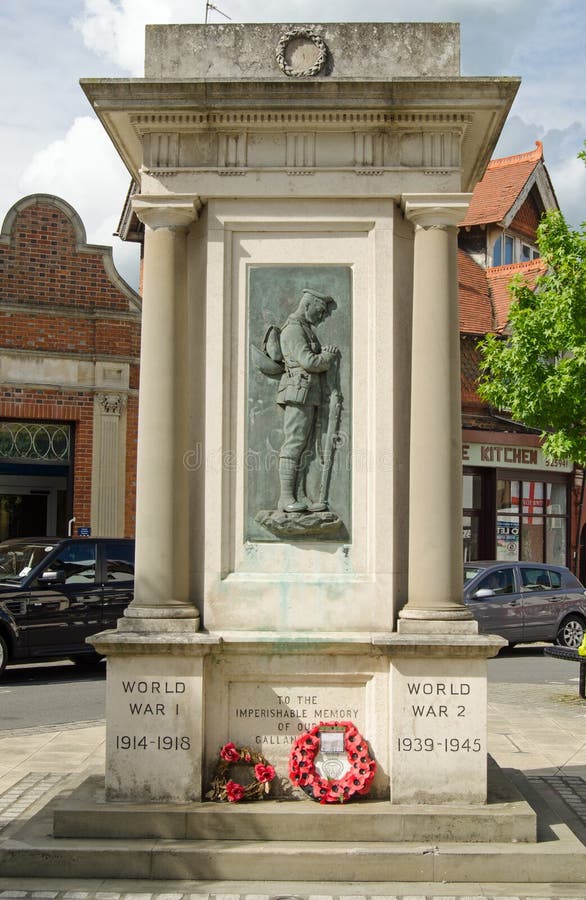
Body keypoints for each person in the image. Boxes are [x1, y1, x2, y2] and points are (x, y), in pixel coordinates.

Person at [276, 288, 338, 512]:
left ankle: (299, 493)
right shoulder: (293, 330)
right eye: (320, 311)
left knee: (305, 446)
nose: (322, 316)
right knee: (294, 444)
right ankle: (285, 498)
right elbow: (309, 362)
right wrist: (327, 357)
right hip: (298, 395)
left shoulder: (305, 329)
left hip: (308, 395)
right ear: (307, 305)